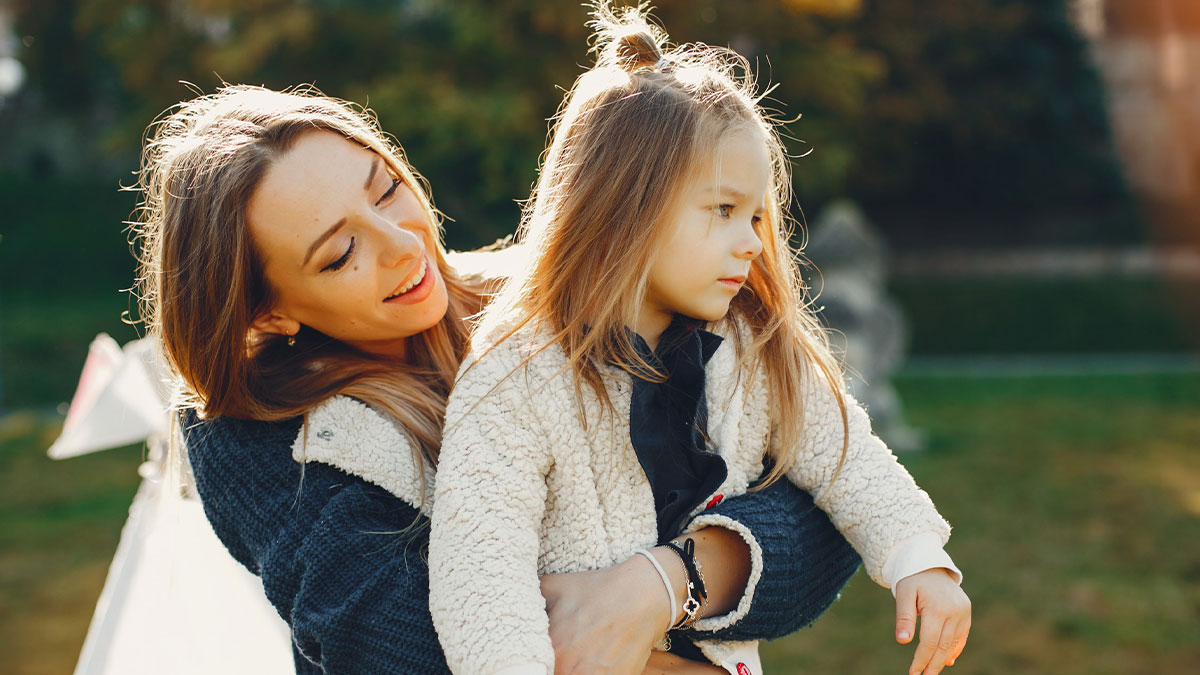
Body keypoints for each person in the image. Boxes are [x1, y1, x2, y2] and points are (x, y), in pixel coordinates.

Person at [130, 81, 862, 674]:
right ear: (268, 314)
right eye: (339, 252)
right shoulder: (252, 432)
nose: (402, 244)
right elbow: (396, 643)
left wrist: (662, 583)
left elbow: (823, 492)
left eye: (385, 189)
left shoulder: (549, 302)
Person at [426, 5, 973, 675]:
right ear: (622, 208)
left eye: (755, 214)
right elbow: (478, 573)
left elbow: (846, 456)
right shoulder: (517, 375)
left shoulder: (751, 347)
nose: (751, 240)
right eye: (722, 210)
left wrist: (919, 556)